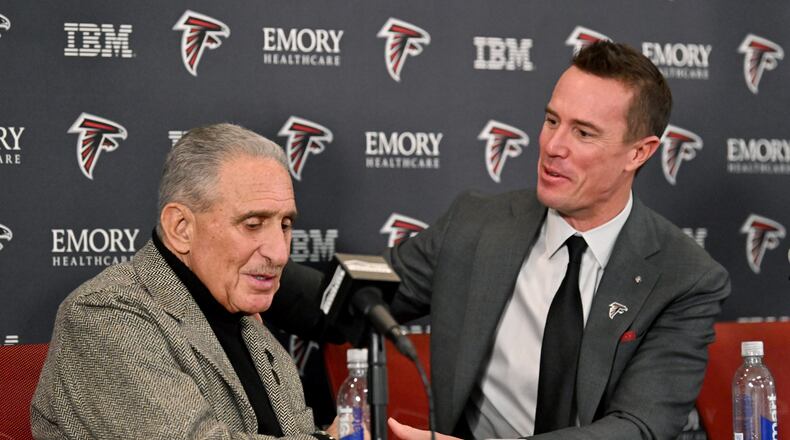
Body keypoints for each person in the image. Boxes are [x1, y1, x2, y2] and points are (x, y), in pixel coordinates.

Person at [380, 41, 730, 439]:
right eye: (551, 121)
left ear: (639, 153)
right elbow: (351, 299)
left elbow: (639, 427)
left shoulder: (685, 277)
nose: (552, 146)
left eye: (583, 132)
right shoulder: (474, 225)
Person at [31, 124, 338, 439]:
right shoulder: (103, 315)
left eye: (285, 224)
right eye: (253, 224)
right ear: (180, 228)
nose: (280, 253)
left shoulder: (246, 321)